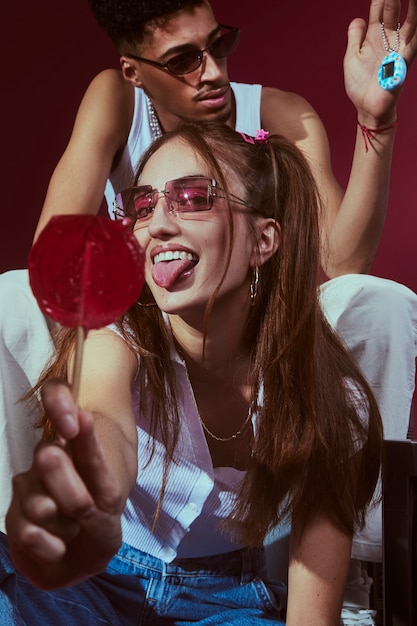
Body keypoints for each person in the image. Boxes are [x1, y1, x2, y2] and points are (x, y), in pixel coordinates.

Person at [0, 0, 417, 618]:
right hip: (110, 562)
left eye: (219, 44)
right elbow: (102, 409)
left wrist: (374, 125)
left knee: (377, 300)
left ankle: (351, 561)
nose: (213, 71)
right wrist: (92, 486)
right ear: (134, 70)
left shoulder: (278, 116)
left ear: (265, 238)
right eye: (141, 206)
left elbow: (343, 256)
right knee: (13, 295)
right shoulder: (115, 102)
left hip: (236, 565)